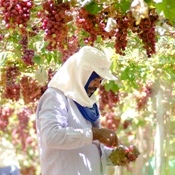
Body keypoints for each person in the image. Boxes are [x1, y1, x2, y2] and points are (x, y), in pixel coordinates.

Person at [36, 46, 119, 175]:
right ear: (82, 74)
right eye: (95, 79)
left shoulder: (88, 102)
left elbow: (87, 147)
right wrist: (95, 134)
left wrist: (112, 156)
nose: (98, 85)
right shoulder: (56, 97)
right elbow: (51, 136)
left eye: (100, 81)